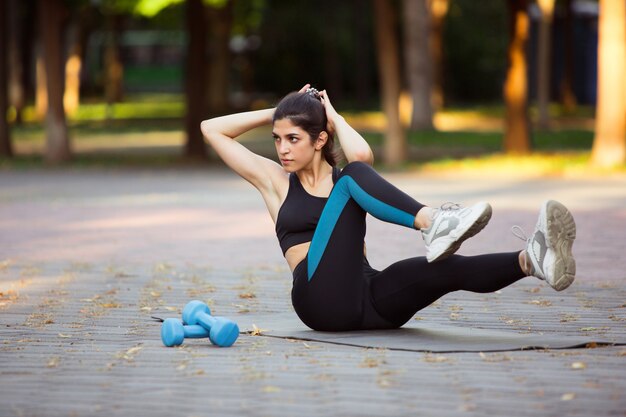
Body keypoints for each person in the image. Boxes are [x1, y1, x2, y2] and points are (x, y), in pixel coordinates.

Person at [200, 84, 577, 332]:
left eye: (293, 138)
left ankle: (532, 260)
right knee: (353, 178)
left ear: (320, 139)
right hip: (318, 299)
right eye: (277, 139)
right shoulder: (276, 183)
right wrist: (279, 112)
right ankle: (434, 222)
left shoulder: (342, 178)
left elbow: (361, 155)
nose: (282, 148)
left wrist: (331, 114)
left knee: (444, 269)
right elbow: (210, 129)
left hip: (367, 298)